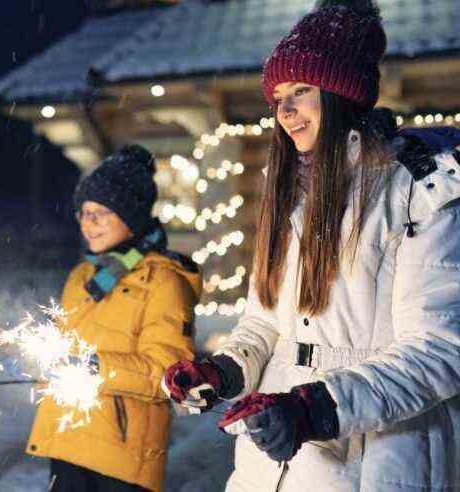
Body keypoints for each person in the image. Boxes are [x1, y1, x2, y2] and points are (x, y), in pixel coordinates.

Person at [163, 1, 460, 491]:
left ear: (342, 94)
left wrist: (316, 407)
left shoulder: (419, 193)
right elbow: (265, 322)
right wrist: (221, 371)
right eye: (278, 96)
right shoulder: (291, 197)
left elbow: (440, 350)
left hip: (378, 456)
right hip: (273, 462)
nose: (284, 111)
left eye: (301, 91)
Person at [27, 145, 201, 492]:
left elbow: (168, 372)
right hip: (66, 442)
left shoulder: (163, 281)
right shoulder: (81, 277)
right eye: (83, 212)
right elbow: (66, 347)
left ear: (132, 215)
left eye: (101, 212)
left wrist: (96, 367)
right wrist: (41, 364)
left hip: (122, 460)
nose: (88, 223)